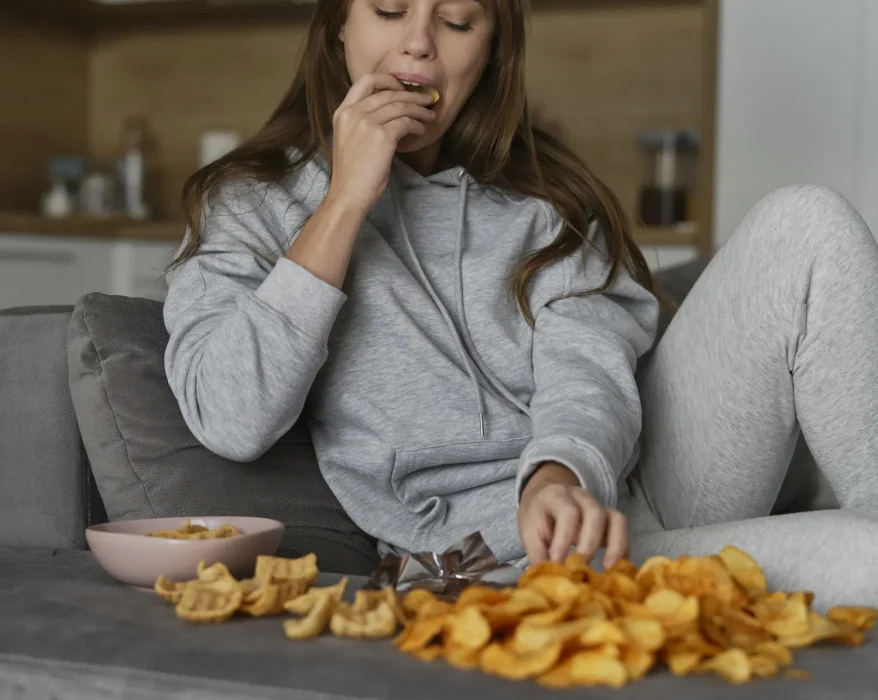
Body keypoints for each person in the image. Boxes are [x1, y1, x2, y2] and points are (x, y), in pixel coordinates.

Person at [163, 0, 878, 575]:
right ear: (336, 29)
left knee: (805, 220)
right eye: (387, 10)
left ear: (491, 50)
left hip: (637, 484)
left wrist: (560, 472)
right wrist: (345, 201)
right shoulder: (251, 204)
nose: (418, 45)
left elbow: (586, 366)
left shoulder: (546, 200)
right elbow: (232, 417)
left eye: (456, 22)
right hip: (503, 560)